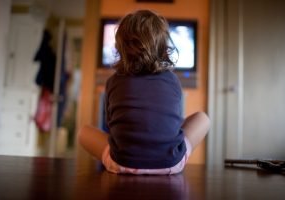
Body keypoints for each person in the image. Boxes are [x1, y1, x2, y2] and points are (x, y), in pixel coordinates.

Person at [78, 10, 210, 175]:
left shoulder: (113, 81)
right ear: (163, 46)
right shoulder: (173, 80)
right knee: (202, 118)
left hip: (122, 162)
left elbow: (111, 124)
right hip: (170, 164)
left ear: (120, 47)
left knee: (83, 132)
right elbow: (176, 124)